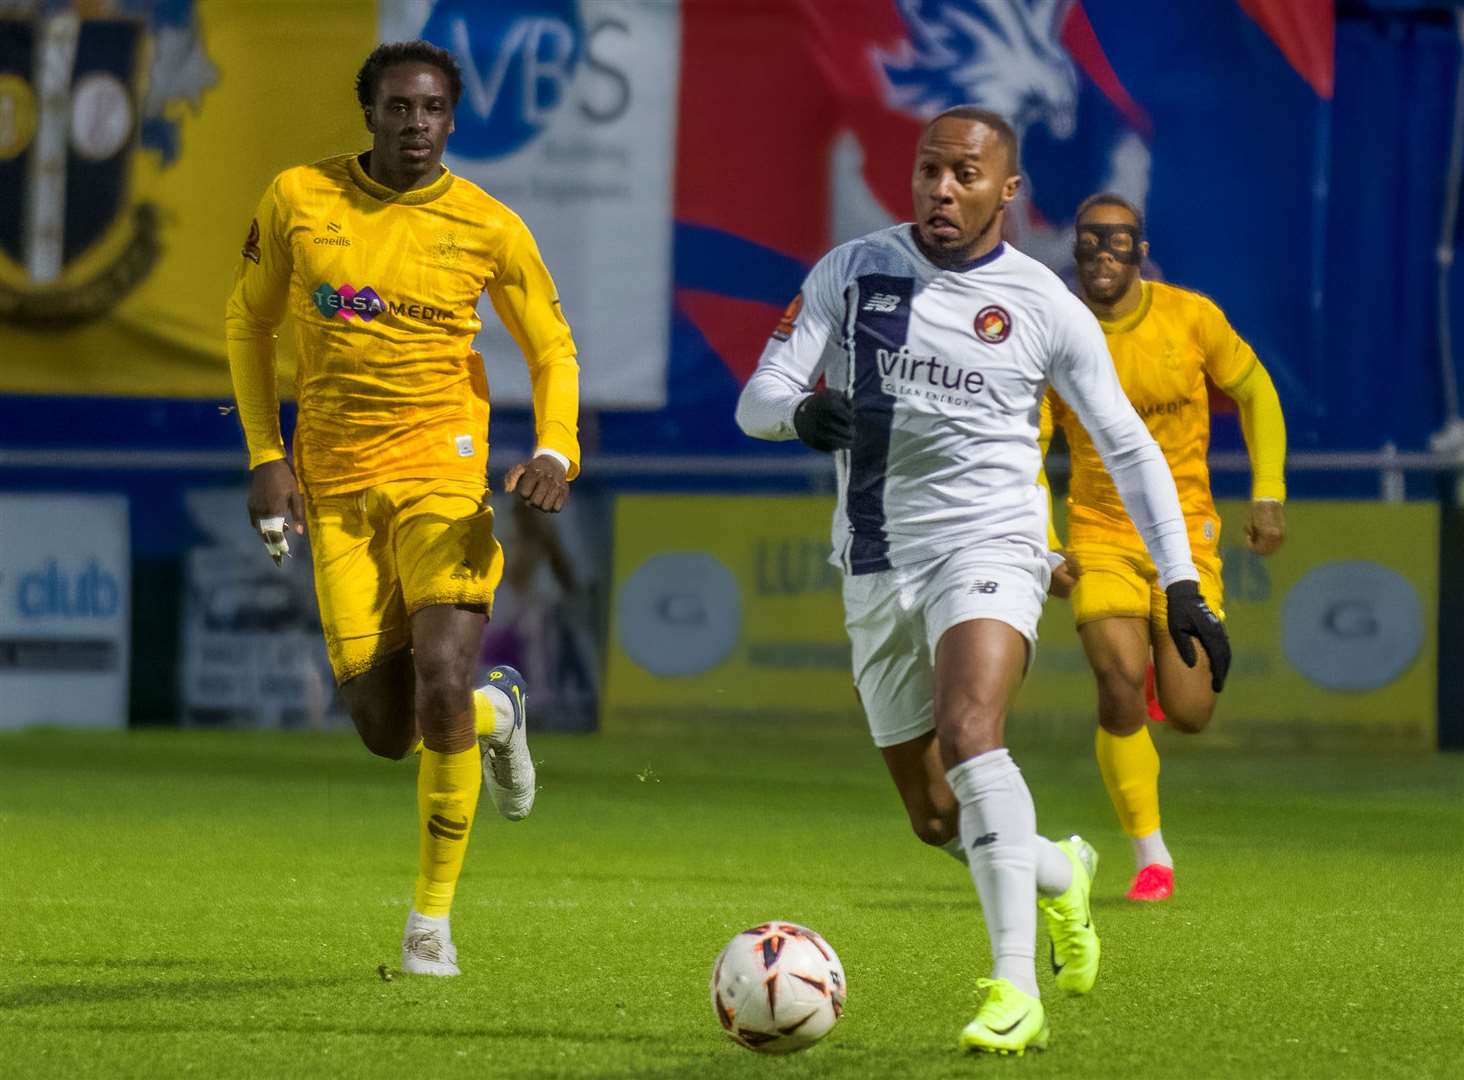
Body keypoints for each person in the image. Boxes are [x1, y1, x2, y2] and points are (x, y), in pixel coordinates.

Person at [735, 107, 1230, 1055]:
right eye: (930, 171)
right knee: (932, 816)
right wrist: (800, 413)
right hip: (876, 559)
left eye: (965, 174)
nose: (942, 190)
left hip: (995, 544)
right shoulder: (851, 272)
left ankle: (1012, 990)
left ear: (1008, 190)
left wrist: (1181, 585)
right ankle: (1058, 871)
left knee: (972, 731)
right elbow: (759, 394)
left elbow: (1127, 446)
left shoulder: (1044, 303)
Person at [224, 41, 580, 976]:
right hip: (336, 484)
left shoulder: (488, 225)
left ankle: (430, 926)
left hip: (443, 473)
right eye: (398, 108)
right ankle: (501, 712)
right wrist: (267, 456)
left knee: (439, 677)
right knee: (391, 730)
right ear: (370, 113)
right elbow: (247, 322)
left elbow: (551, 345)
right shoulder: (301, 198)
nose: (415, 124)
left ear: (452, 120)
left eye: (431, 110)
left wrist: (554, 446)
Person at [1041, 194, 1286, 902]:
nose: (1104, 254)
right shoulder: (1056, 333)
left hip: (1186, 534)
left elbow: (1256, 390)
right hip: (1102, 531)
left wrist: (1267, 491)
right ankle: (1151, 855)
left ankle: (1163, 672)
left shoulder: (1191, 318)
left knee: (1190, 713)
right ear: (1076, 251)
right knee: (1114, 678)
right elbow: (1031, 443)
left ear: (1140, 252)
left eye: (1119, 242)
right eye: (1091, 242)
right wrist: (1045, 542)